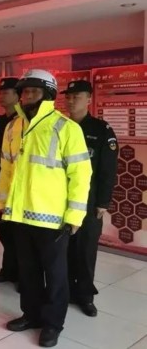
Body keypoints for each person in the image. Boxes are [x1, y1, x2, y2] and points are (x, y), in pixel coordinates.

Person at [0, 69, 92, 348]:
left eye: (34, 91)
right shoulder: (13, 127)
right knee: (27, 271)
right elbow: (6, 170)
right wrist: (1, 204)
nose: (28, 96)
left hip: (53, 220)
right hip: (19, 215)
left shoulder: (66, 127)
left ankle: (52, 324)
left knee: (55, 275)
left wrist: (75, 215)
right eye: (25, 91)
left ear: (48, 94)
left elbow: (81, 175)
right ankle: (32, 315)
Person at [63, 80, 118, 317]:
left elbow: (108, 169)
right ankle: (64, 291)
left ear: (89, 99)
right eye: (68, 96)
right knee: (63, 250)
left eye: (77, 96)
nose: (71, 101)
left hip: (89, 201)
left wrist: (103, 202)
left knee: (85, 251)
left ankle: (84, 296)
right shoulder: (60, 127)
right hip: (59, 200)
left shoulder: (101, 129)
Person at [0, 77, 20, 284]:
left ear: (18, 95)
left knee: (19, 236)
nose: (1, 96)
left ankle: (22, 275)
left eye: (5, 92)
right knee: (5, 232)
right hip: (1, 182)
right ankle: (8, 270)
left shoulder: (24, 121)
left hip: (18, 187)